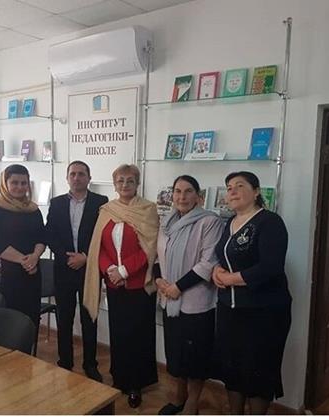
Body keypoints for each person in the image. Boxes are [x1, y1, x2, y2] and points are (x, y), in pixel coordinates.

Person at [211, 171, 292, 415]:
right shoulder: (229, 222)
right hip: (230, 310)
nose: (232, 191)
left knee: (259, 370)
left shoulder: (269, 222)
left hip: (263, 312)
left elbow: (271, 266)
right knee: (232, 367)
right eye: (229, 187)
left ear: (256, 191)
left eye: (239, 185)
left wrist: (230, 279)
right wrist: (216, 270)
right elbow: (223, 256)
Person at [83, 164, 159, 408]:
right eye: (120, 181)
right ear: (114, 184)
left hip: (138, 285)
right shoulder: (106, 210)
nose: (125, 185)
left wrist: (124, 271)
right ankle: (120, 378)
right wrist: (110, 271)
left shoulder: (148, 209)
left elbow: (150, 248)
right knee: (119, 334)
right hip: (114, 284)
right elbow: (99, 247)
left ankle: (136, 384)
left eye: (130, 181)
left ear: (137, 183)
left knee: (138, 336)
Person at [154, 175, 224, 415]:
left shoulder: (209, 221)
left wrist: (178, 286)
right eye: (177, 191)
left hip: (195, 302)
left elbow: (208, 263)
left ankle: (192, 404)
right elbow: (158, 256)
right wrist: (159, 280)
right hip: (169, 299)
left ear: (198, 196)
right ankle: (179, 397)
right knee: (176, 354)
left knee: (195, 357)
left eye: (188, 191)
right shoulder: (167, 222)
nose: (182, 196)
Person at [45, 161, 108, 382]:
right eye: (72, 174)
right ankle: (65, 361)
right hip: (64, 269)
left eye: (81, 174)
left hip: (89, 270)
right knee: (65, 318)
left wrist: (86, 257)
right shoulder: (56, 203)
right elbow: (50, 234)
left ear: (89, 178)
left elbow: (103, 236)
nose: (77, 178)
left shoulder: (101, 202)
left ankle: (90, 364)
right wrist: (66, 257)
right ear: (67, 178)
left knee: (89, 318)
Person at [0, 164, 46, 331]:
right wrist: (24, 260)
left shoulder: (33, 209)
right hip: (5, 273)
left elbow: (42, 237)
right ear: (5, 183)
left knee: (30, 319)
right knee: (5, 322)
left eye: (24, 183)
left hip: (31, 272)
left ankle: (29, 349)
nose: (20, 187)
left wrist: (34, 257)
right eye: (14, 182)